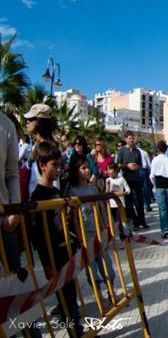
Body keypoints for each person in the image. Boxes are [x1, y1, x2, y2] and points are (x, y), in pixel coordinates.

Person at [30, 141, 83, 336]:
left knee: (70, 300)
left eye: (61, 165)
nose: (59, 169)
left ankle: (77, 331)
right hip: (53, 256)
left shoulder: (56, 191)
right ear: (43, 165)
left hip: (65, 251)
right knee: (66, 300)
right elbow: (38, 234)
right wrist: (46, 262)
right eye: (55, 165)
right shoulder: (38, 196)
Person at [66, 154, 116, 293]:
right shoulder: (73, 191)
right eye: (83, 168)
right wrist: (80, 238)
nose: (87, 171)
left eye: (88, 167)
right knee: (92, 270)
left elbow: (99, 211)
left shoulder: (92, 188)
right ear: (76, 170)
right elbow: (75, 218)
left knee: (107, 265)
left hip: (98, 233)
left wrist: (104, 228)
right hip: (85, 235)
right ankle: (99, 295)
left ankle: (112, 291)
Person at [1, 111, 21, 276]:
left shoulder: (6, 126)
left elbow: (12, 174)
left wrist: (14, 210)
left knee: (11, 281)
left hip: (3, 219)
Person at [23, 103, 58, 198]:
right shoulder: (36, 146)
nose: (27, 122)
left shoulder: (51, 148)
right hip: (34, 199)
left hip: (45, 203)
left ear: (39, 121)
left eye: (30, 119)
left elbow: (54, 180)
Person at [117, 131, 147, 230]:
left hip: (136, 178)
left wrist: (136, 167)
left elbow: (140, 164)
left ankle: (142, 221)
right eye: (130, 138)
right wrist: (127, 166)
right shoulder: (121, 151)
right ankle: (135, 221)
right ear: (126, 139)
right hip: (126, 179)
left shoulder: (137, 151)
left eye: (133, 138)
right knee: (129, 202)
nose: (132, 140)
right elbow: (118, 164)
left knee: (139, 201)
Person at [150, 141, 168, 238]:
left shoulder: (154, 160)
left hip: (159, 184)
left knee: (162, 208)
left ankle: (164, 229)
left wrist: (154, 185)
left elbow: (152, 175)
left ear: (158, 149)